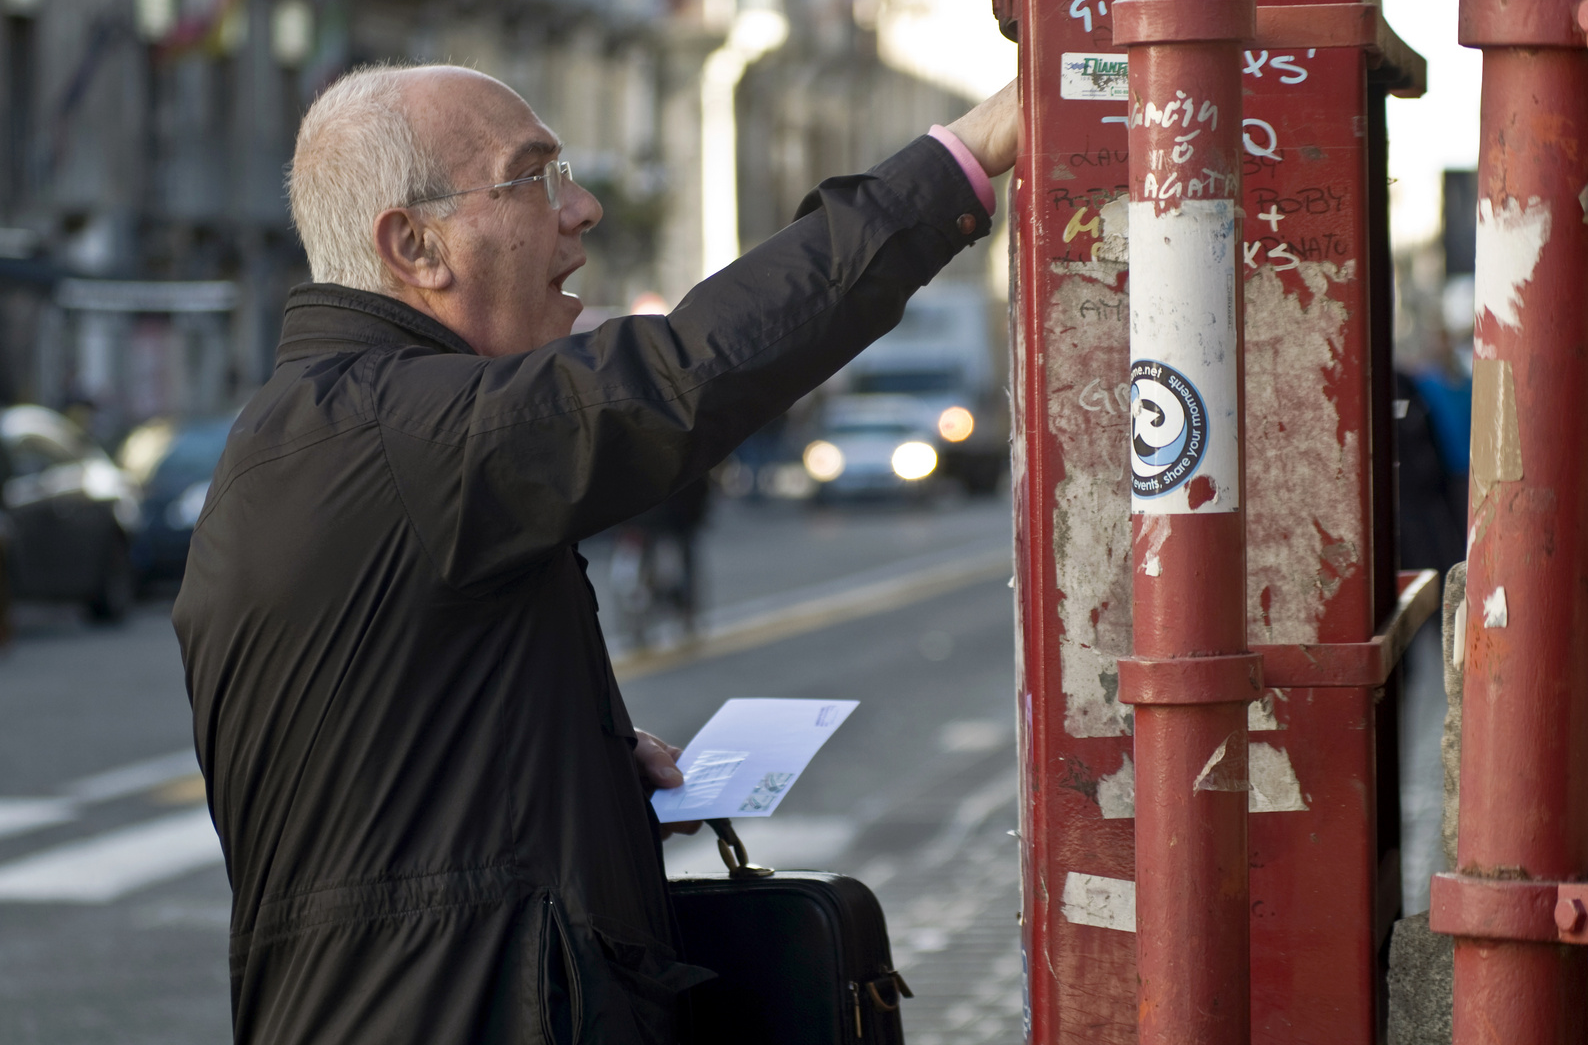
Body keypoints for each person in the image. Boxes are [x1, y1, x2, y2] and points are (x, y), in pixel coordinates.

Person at [172, 62, 1017, 1045]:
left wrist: (583, 772)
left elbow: (385, 788)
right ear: (415, 245)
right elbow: (686, 373)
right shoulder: (405, 433)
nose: (583, 208)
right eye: (534, 178)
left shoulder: (328, 432)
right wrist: (959, 162)